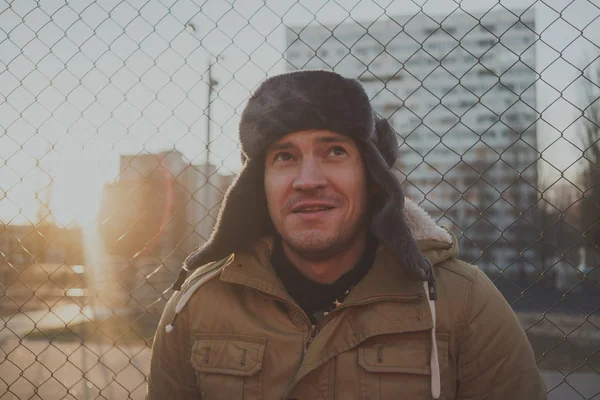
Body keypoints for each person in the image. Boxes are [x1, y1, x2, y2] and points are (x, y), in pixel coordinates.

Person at [146, 70, 547, 400]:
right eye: (284, 157)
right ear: (258, 184)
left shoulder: (462, 303)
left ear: (371, 178)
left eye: (334, 151)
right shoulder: (196, 306)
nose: (308, 180)